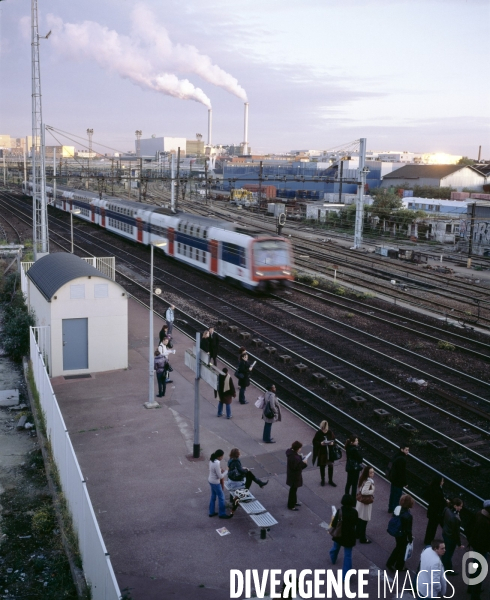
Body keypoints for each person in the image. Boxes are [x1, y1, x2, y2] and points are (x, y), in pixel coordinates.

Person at [329, 494, 358, 580]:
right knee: (348, 556)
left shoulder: (340, 511)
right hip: (350, 536)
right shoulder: (354, 512)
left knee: (335, 548)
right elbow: (356, 523)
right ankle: (345, 577)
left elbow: (334, 524)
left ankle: (333, 558)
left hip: (339, 534)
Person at [467, 499, 490, 600]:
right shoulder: (487, 522)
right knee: (479, 571)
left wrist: (470, 540)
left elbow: (469, 527)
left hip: (476, 544)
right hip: (482, 547)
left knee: (476, 566)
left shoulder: (479, 514)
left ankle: (470, 587)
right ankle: (475, 595)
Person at [386, 494, 414, 572]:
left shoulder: (398, 509)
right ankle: (397, 565)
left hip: (397, 531)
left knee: (398, 547)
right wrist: (410, 538)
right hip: (403, 534)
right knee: (402, 549)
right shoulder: (408, 516)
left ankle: (392, 563)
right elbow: (408, 529)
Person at [441, 498, 464, 575]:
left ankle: (442, 565)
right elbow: (456, 532)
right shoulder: (455, 518)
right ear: (455, 506)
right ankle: (448, 570)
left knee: (445, 551)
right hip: (451, 538)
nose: (461, 508)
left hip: (445, 533)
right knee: (449, 554)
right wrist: (459, 544)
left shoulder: (446, 509)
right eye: (460, 506)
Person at [208, 449, 232, 519]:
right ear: (219, 456)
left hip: (210, 480)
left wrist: (220, 470)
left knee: (213, 496)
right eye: (222, 456)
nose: (222, 457)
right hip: (215, 482)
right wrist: (227, 470)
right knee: (221, 497)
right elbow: (220, 476)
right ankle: (222, 513)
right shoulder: (217, 463)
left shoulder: (212, 460)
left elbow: (213, 470)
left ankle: (211, 512)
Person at [424, 475, 448, 546]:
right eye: (442, 481)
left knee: (430, 526)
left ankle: (427, 540)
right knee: (433, 527)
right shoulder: (438, 491)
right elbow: (440, 502)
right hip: (436, 512)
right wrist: (445, 502)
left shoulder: (433, 488)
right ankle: (429, 541)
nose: (443, 482)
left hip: (432, 510)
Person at [312, 420, 337, 487]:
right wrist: (320, 443)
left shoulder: (330, 432)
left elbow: (334, 441)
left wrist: (332, 443)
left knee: (330, 466)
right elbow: (314, 442)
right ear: (321, 428)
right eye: (324, 430)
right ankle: (323, 480)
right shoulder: (318, 433)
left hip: (330, 453)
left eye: (326, 430)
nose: (325, 431)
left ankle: (330, 480)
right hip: (322, 453)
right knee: (322, 467)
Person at [286, 441, 308, 510]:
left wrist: (300, 457)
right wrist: (304, 463)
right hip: (295, 476)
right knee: (293, 490)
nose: (300, 449)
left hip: (291, 475)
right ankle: (291, 505)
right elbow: (297, 467)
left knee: (293, 490)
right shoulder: (295, 458)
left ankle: (293, 502)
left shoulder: (291, 454)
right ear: (297, 448)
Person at [355, 466, 375, 544]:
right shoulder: (369, 481)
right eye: (371, 472)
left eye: (373, 472)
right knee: (364, 520)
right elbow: (364, 492)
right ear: (368, 473)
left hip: (361, 502)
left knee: (360, 519)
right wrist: (372, 491)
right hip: (365, 503)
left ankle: (357, 534)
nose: (373, 474)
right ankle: (363, 538)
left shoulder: (363, 478)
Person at [388, 444, 409, 513]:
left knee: (392, 494)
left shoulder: (396, 455)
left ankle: (390, 508)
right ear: (402, 449)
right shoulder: (402, 459)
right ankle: (395, 511)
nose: (407, 452)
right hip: (398, 481)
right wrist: (405, 483)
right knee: (397, 496)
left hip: (393, 479)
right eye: (406, 450)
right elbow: (402, 472)